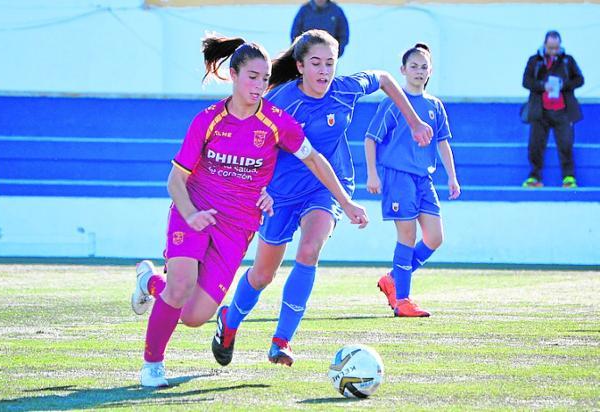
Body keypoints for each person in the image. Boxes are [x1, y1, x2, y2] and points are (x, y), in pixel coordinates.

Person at [130, 34, 370, 387]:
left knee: (195, 316)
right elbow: (175, 181)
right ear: (233, 75)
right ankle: (152, 366)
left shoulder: (276, 121)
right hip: (194, 210)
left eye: (264, 77)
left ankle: (150, 282)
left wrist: (346, 203)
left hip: (237, 224)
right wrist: (190, 213)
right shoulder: (207, 121)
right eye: (252, 77)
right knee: (180, 285)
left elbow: (314, 161)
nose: (259, 85)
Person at [212, 30, 433, 368]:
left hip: (326, 187)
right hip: (280, 193)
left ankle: (281, 340)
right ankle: (229, 322)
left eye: (330, 63)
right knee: (262, 274)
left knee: (310, 249)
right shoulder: (281, 103)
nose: (324, 71)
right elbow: (252, 147)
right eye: (316, 63)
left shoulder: (345, 90)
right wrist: (256, 190)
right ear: (299, 66)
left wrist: (414, 120)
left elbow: (386, 79)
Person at [365, 43, 461, 317]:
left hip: (424, 179)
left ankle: (392, 279)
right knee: (407, 236)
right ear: (403, 70)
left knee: (435, 238)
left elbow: (443, 143)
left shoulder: (435, 105)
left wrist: (452, 177)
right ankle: (403, 300)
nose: (419, 71)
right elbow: (371, 139)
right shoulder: (393, 103)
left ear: (430, 71)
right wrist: (372, 174)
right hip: (398, 177)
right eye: (414, 66)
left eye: (424, 67)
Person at [522, 30, 584, 188]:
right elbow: (526, 82)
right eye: (550, 48)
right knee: (535, 145)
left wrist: (564, 85)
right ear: (544, 45)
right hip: (540, 112)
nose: (553, 51)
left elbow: (579, 79)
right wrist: (543, 86)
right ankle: (534, 177)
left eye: (556, 48)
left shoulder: (567, 61)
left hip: (563, 112)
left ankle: (568, 178)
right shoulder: (535, 61)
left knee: (565, 144)